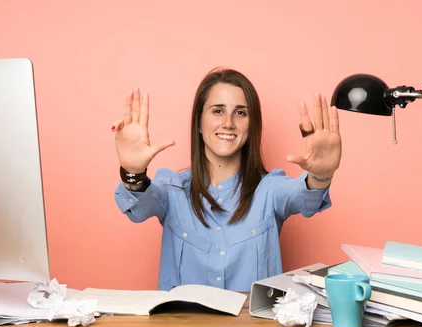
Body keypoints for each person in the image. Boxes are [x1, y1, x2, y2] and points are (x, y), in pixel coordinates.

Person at [112, 68, 342, 292]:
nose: (229, 123)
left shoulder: (270, 188)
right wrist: (133, 172)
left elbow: (305, 197)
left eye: (240, 112)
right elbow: (139, 208)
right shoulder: (172, 188)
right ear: (199, 123)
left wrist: (321, 175)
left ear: (252, 125)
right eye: (218, 111)